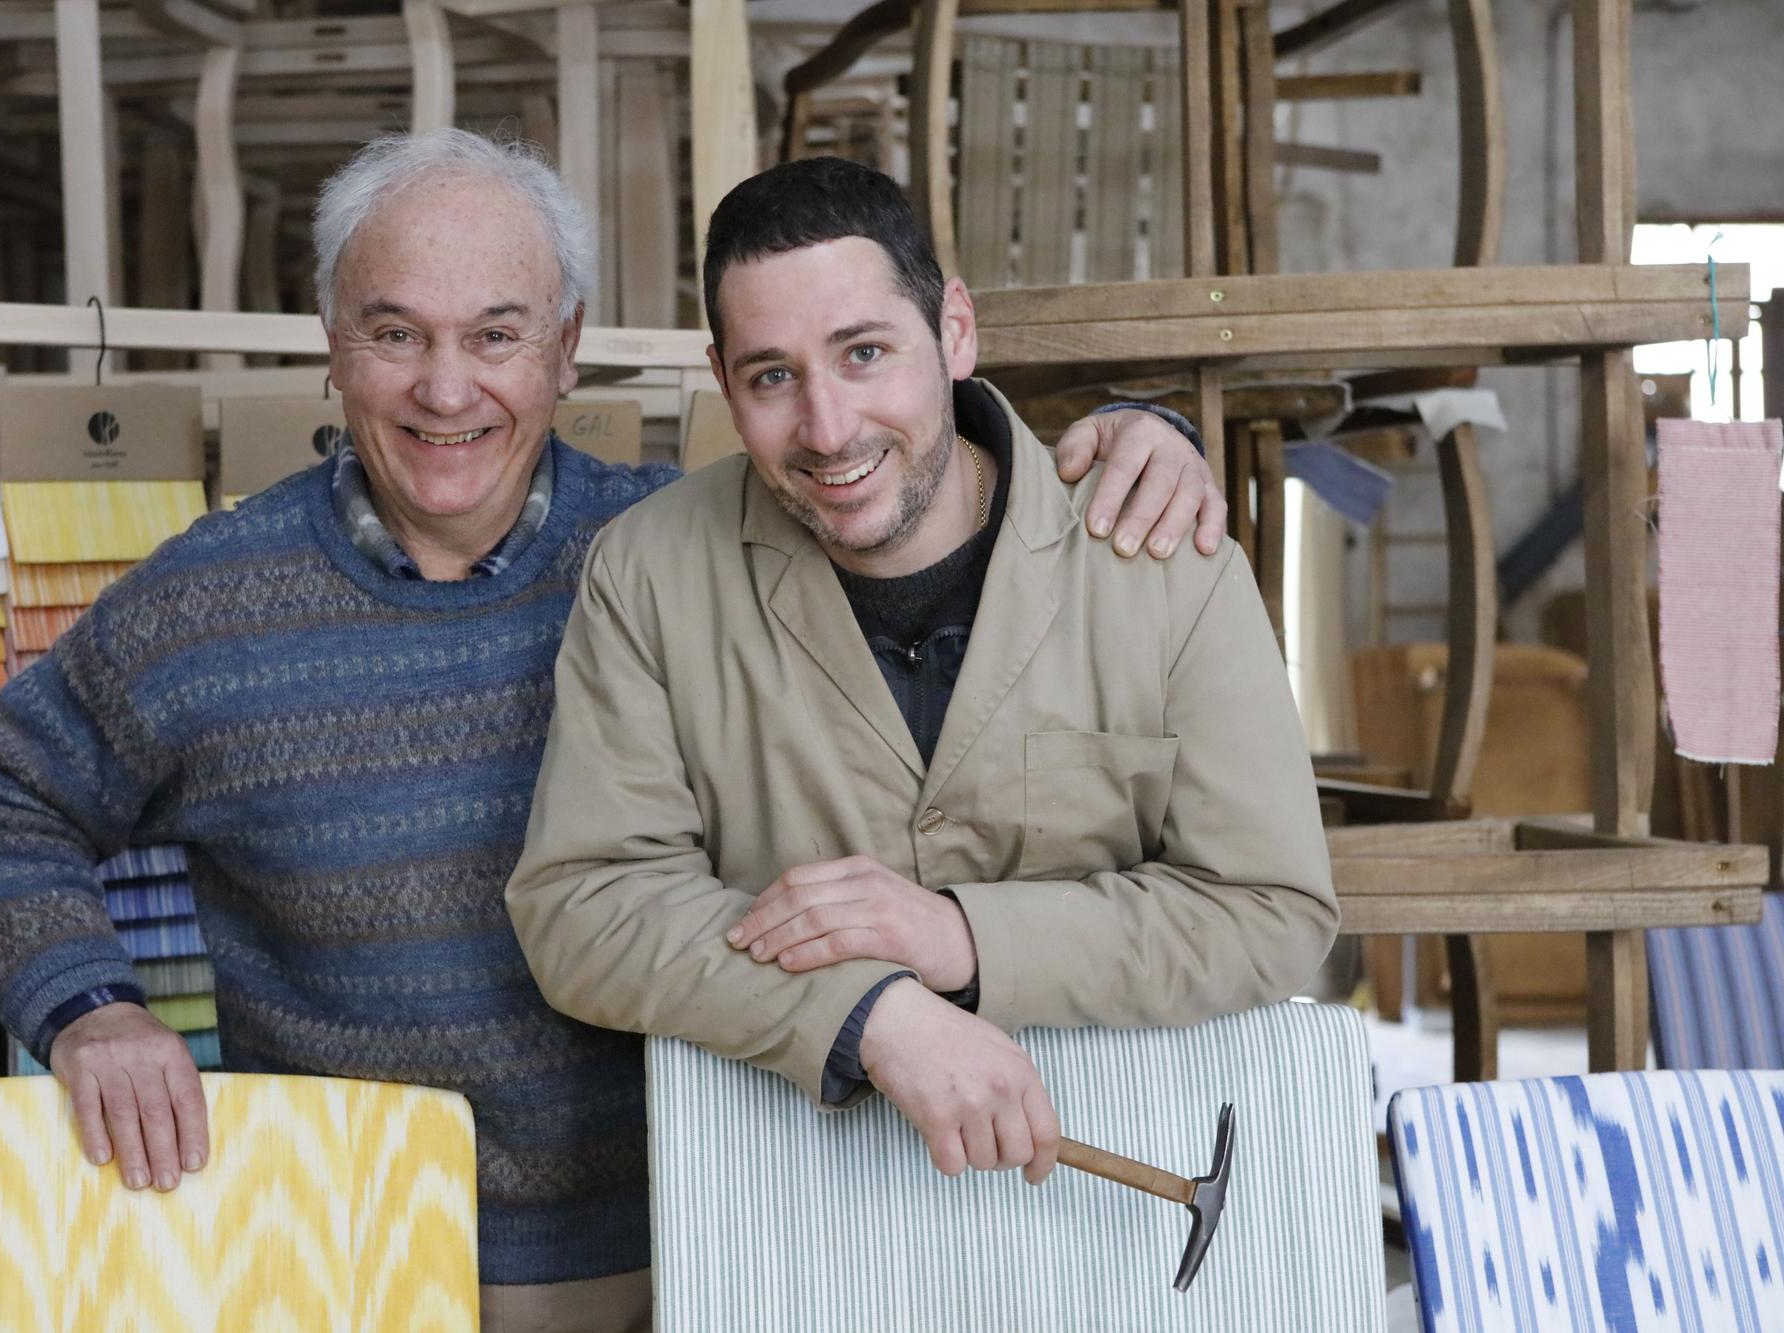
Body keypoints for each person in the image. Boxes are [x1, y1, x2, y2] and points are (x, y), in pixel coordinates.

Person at [0, 132, 1219, 1329]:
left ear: (567, 347)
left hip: (713, 1232)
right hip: (350, 1250)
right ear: (331, 344)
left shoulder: (694, 555)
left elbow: (905, 492)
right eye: (395, 333)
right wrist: (90, 1009)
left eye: (496, 334)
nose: (445, 389)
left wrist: (1134, 453)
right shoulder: (204, 606)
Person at [506, 156, 1337, 1192]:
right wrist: (867, 1012)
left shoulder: (1158, 555)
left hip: (1126, 1184)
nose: (827, 428)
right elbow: (583, 909)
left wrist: (958, 937)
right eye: (772, 376)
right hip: (797, 1189)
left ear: (952, 330)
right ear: (722, 382)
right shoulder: (648, 571)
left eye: (863, 353)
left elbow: (1269, 908)